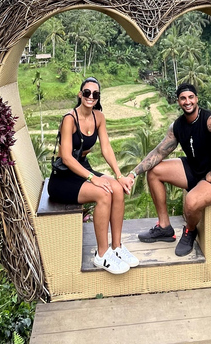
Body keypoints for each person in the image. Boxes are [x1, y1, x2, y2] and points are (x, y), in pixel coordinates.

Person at [129, 83, 211, 256]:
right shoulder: (177, 126)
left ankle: (189, 231)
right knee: (154, 172)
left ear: (196, 99)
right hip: (196, 170)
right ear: (178, 101)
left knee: (190, 201)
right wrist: (133, 173)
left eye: (190, 97)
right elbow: (159, 152)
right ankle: (164, 227)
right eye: (183, 98)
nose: (187, 101)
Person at [48, 77, 138, 274]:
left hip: (82, 170)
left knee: (117, 188)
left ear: (98, 98)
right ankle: (102, 255)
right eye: (87, 93)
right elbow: (66, 157)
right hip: (63, 178)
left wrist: (118, 175)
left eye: (95, 94)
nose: (90, 97)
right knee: (103, 193)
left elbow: (106, 147)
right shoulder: (69, 119)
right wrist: (93, 178)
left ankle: (117, 247)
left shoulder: (99, 117)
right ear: (80, 94)